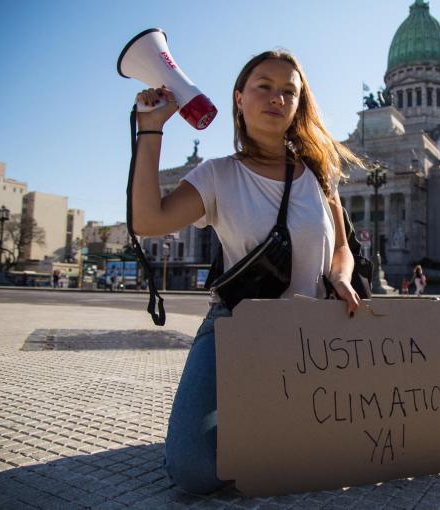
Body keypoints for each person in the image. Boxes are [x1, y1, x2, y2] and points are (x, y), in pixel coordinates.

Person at [130, 50, 362, 494]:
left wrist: (340, 277)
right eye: (264, 86)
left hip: (308, 335)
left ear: (298, 105)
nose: (276, 97)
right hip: (236, 327)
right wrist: (151, 127)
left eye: (288, 92)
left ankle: (266, 429)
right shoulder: (217, 175)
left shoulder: (319, 171)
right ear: (239, 98)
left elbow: (342, 247)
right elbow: (147, 219)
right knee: (193, 469)